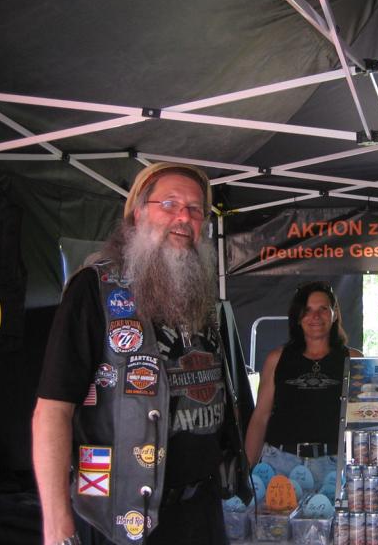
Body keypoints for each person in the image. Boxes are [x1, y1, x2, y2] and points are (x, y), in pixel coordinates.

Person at [32, 162, 252, 545]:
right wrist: (56, 527)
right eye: (169, 204)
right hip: (120, 518)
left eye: (195, 209)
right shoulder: (94, 289)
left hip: (202, 510)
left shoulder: (200, 293)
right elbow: (52, 410)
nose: (184, 217)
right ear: (137, 214)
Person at [244, 281, 362, 488]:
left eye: (323, 309)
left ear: (334, 314)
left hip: (335, 466)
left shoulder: (353, 359)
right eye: (307, 310)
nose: (315, 316)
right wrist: (246, 471)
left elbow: (365, 420)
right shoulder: (276, 359)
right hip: (280, 465)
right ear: (298, 317)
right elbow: (260, 417)